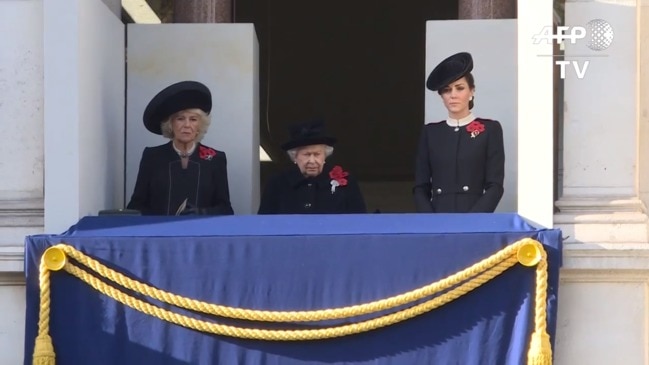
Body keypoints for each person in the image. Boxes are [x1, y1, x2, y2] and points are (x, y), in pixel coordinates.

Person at [413, 52, 505, 213]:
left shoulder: (490, 130)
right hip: (438, 218)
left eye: (460, 88)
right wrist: (430, 221)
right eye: (447, 90)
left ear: (472, 92)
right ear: (441, 96)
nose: (453, 95)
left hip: (475, 217)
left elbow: (495, 186)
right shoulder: (431, 132)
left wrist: (473, 220)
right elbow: (420, 187)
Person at [127, 81, 234, 216]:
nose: (187, 125)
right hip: (160, 234)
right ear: (170, 124)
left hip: (201, 234)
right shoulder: (152, 157)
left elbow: (225, 209)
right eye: (180, 119)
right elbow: (136, 205)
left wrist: (201, 213)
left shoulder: (215, 159)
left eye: (193, 119)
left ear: (200, 125)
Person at [258, 119, 367, 214]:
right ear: (294, 157)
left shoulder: (347, 182)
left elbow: (360, 222)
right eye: (306, 155)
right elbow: (263, 223)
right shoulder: (277, 182)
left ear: (325, 156)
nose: (312, 161)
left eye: (317, 154)